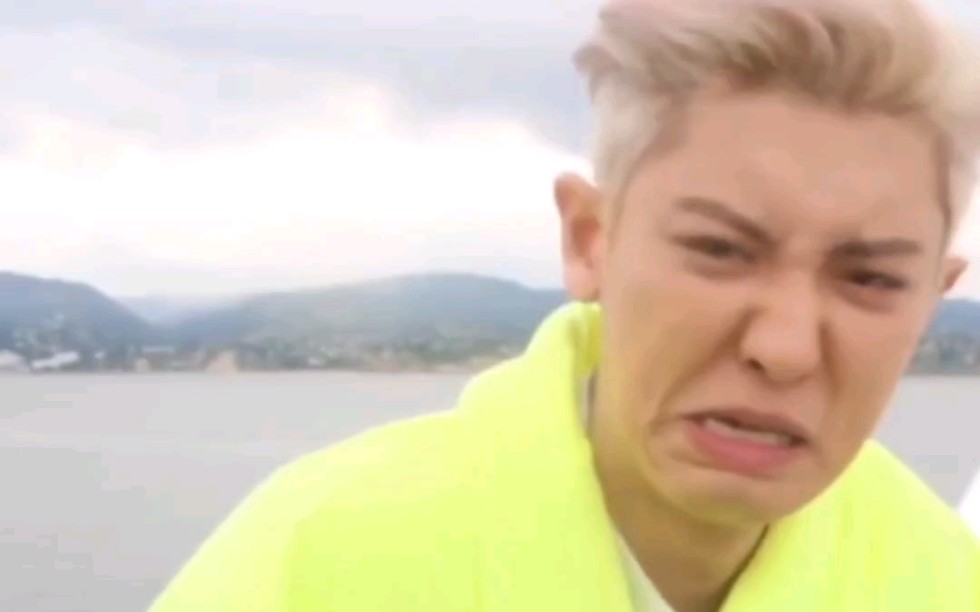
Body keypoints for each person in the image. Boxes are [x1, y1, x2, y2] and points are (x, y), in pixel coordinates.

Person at [150, 0, 980, 610]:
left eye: (871, 280)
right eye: (720, 251)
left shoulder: (946, 582)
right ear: (591, 241)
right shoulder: (318, 564)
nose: (786, 346)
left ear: (932, 301)